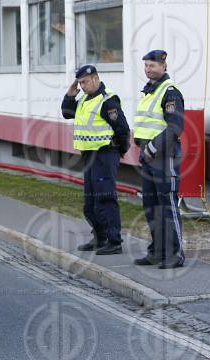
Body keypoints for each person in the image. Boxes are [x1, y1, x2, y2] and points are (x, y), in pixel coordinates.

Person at [62, 65, 130, 255]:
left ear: (95, 78)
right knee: (90, 202)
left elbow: (122, 129)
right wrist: (70, 94)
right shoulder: (85, 99)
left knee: (105, 198)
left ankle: (114, 241)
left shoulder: (108, 100)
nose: (82, 86)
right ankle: (100, 238)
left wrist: (119, 151)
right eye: (80, 83)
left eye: (84, 82)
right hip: (89, 156)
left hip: (105, 155)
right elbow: (67, 113)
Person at [133, 50, 185, 269]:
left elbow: (175, 127)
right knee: (151, 207)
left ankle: (174, 255)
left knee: (167, 207)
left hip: (164, 157)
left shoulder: (169, 92)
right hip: (149, 157)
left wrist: (152, 147)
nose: (148, 69)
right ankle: (157, 252)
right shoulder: (150, 91)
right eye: (146, 66)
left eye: (152, 65)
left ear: (163, 66)